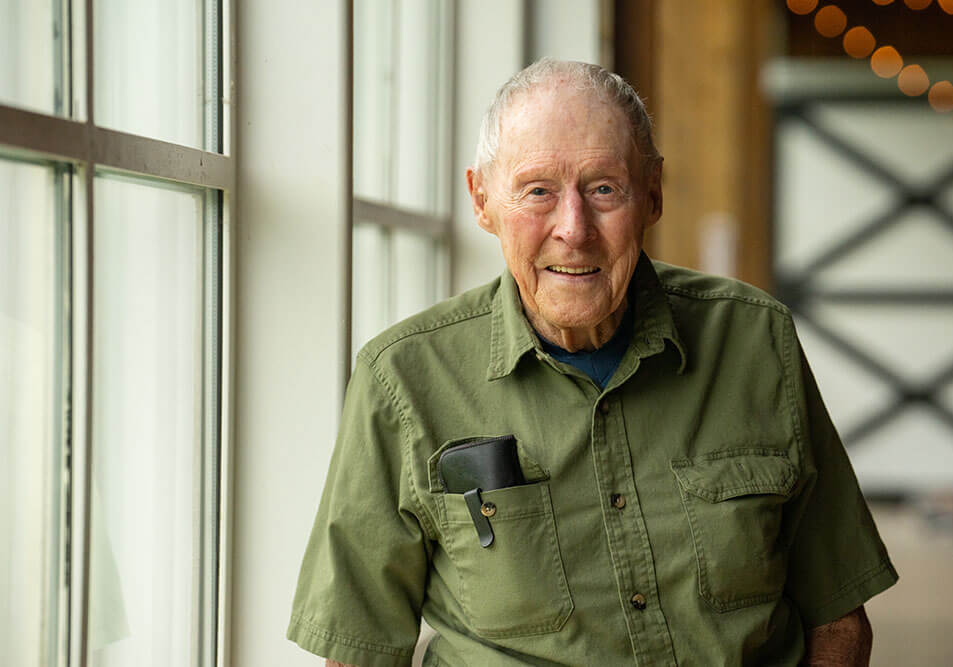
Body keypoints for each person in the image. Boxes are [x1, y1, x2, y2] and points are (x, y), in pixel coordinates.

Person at [288, 58, 898, 666]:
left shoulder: (757, 339)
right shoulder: (402, 380)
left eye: (604, 187)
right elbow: (359, 651)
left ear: (652, 193)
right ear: (482, 201)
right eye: (538, 191)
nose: (573, 229)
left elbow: (838, 615)